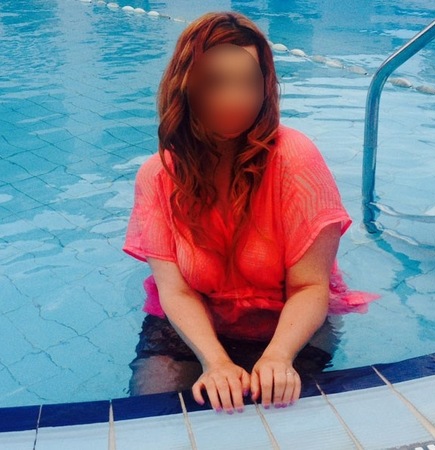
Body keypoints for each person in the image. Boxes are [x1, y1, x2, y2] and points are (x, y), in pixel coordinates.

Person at [123, 11, 378, 414]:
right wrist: (215, 362)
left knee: (285, 419)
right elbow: (176, 290)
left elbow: (310, 286)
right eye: (216, 82)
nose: (235, 99)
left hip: (288, 327)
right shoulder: (158, 176)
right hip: (193, 327)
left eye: (249, 82)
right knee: (155, 417)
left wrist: (278, 356)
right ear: (187, 87)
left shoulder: (295, 161)